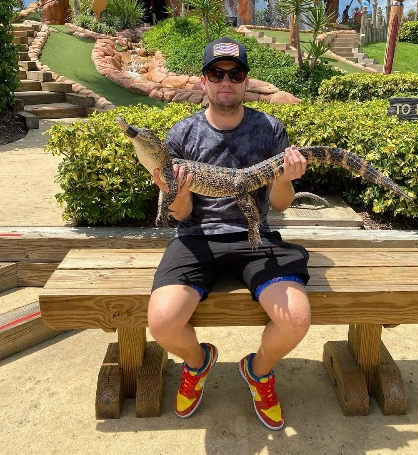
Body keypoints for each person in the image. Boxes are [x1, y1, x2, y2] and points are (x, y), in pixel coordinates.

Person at [148, 37, 311, 431]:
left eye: (234, 74)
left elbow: (282, 203)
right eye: (215, 73)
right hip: (196, 236)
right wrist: (179, 193)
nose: (226, 81)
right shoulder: (181, 135)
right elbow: (177, 214)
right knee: (163, 322)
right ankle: (198, 362)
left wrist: (288, 178)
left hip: (254, 235)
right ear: (203, 81)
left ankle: (258, 371)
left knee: (296, 318)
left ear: (245, 81)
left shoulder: (270, 128)